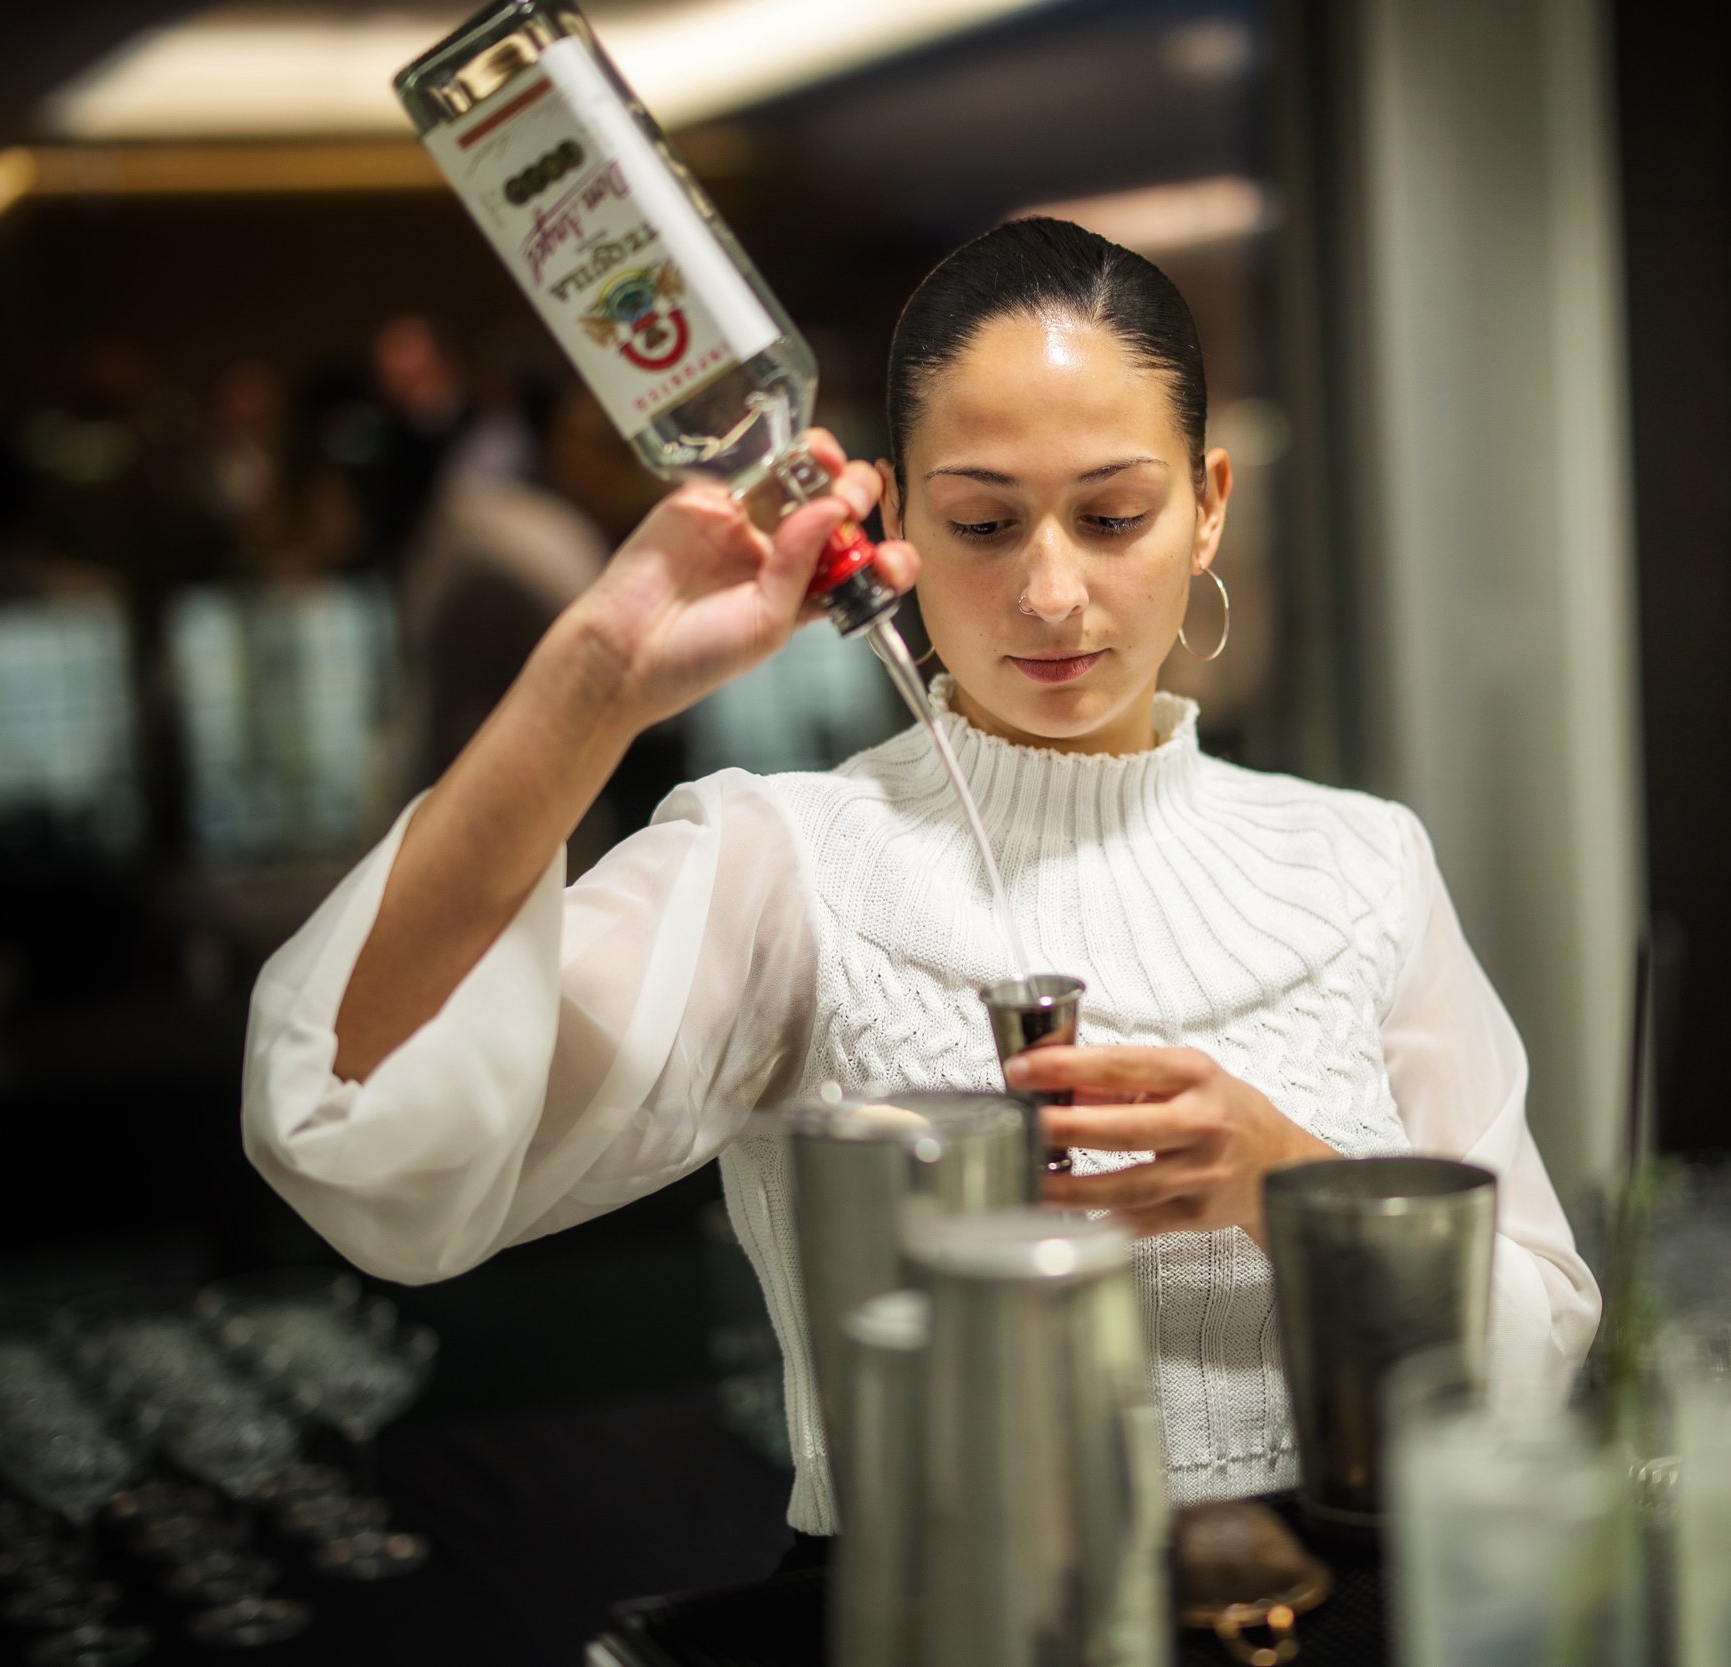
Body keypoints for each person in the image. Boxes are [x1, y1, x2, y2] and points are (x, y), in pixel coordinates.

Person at [241, 217, 1599, 1534]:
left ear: (1207, 509)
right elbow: (361, 1131)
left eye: (1116, 515)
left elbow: (1540, 1340)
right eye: (987, 524)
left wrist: (1289, 1184)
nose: (1054, 594)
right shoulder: (788, 861)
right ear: (893, 515)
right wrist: (594, 682)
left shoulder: (1360, 858)